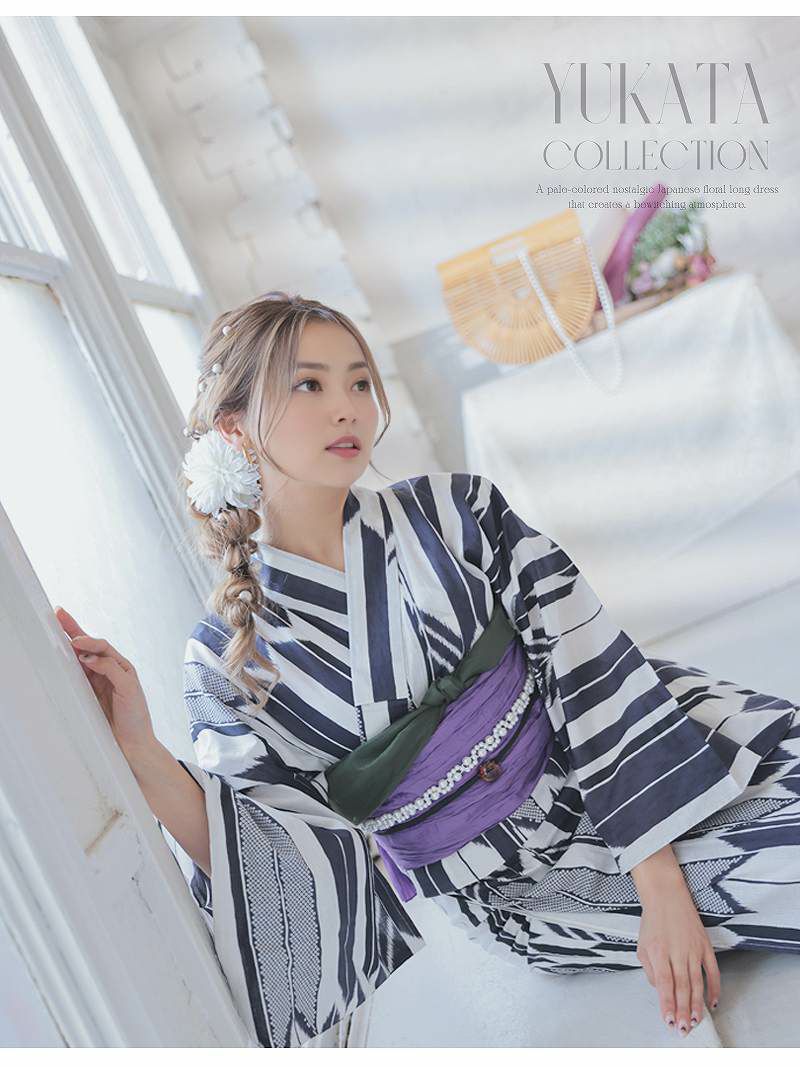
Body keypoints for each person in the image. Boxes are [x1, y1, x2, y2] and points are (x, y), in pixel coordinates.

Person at [55, 291, 800, 1049]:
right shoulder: (226, 659)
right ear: (233, 428)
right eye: (309, 384)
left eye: (358, 381)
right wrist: (141, 752)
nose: (347, 407)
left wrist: (658, 874)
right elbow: (261, 852)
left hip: (645, 751)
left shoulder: (457, 510)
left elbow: (588, 662)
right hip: (520, 879)